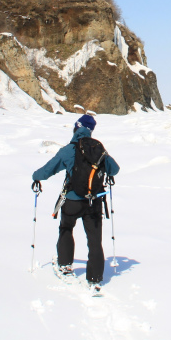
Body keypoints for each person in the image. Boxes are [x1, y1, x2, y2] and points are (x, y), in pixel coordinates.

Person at [32, 114, 120, 290]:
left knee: (66, 228)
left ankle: (65, 266)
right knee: (94, 240)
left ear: (76, 128)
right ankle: (95, 278)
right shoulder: (98, 149)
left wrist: (36, 176)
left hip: (72, 200)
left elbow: (49, 170)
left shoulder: (69, 149)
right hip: (94, 202)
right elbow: (114, 169)